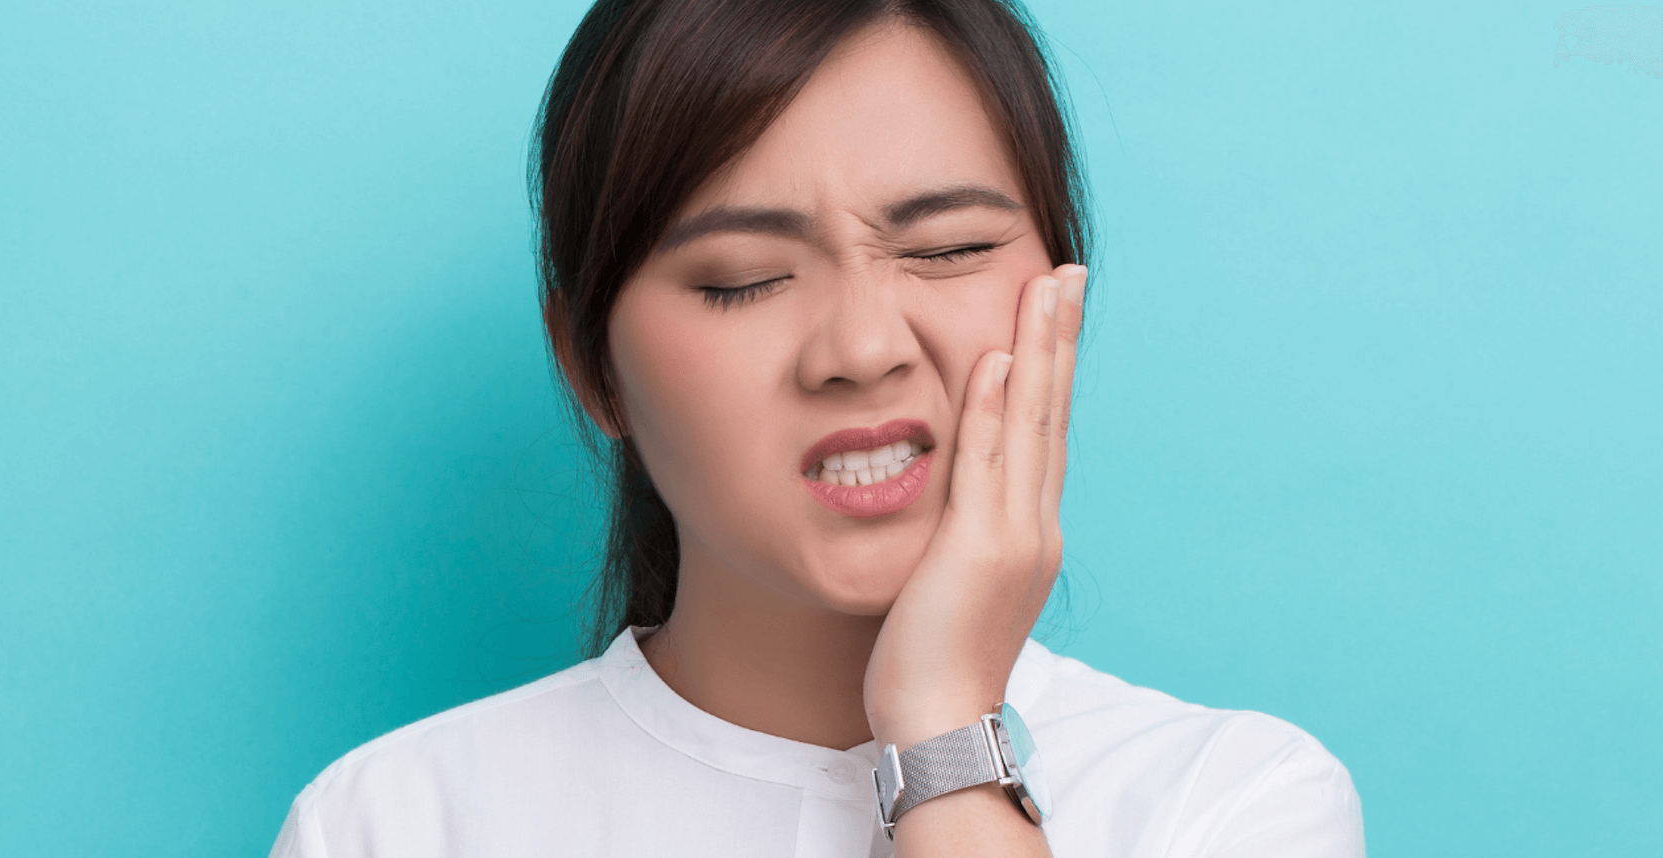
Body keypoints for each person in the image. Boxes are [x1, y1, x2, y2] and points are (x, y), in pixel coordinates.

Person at [268, 0, 1364, 855]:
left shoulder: (1228, 803)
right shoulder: (386, 827)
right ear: (590, 365)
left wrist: (941, 727)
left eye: (946, 250)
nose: (861, 347)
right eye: (744, 279)